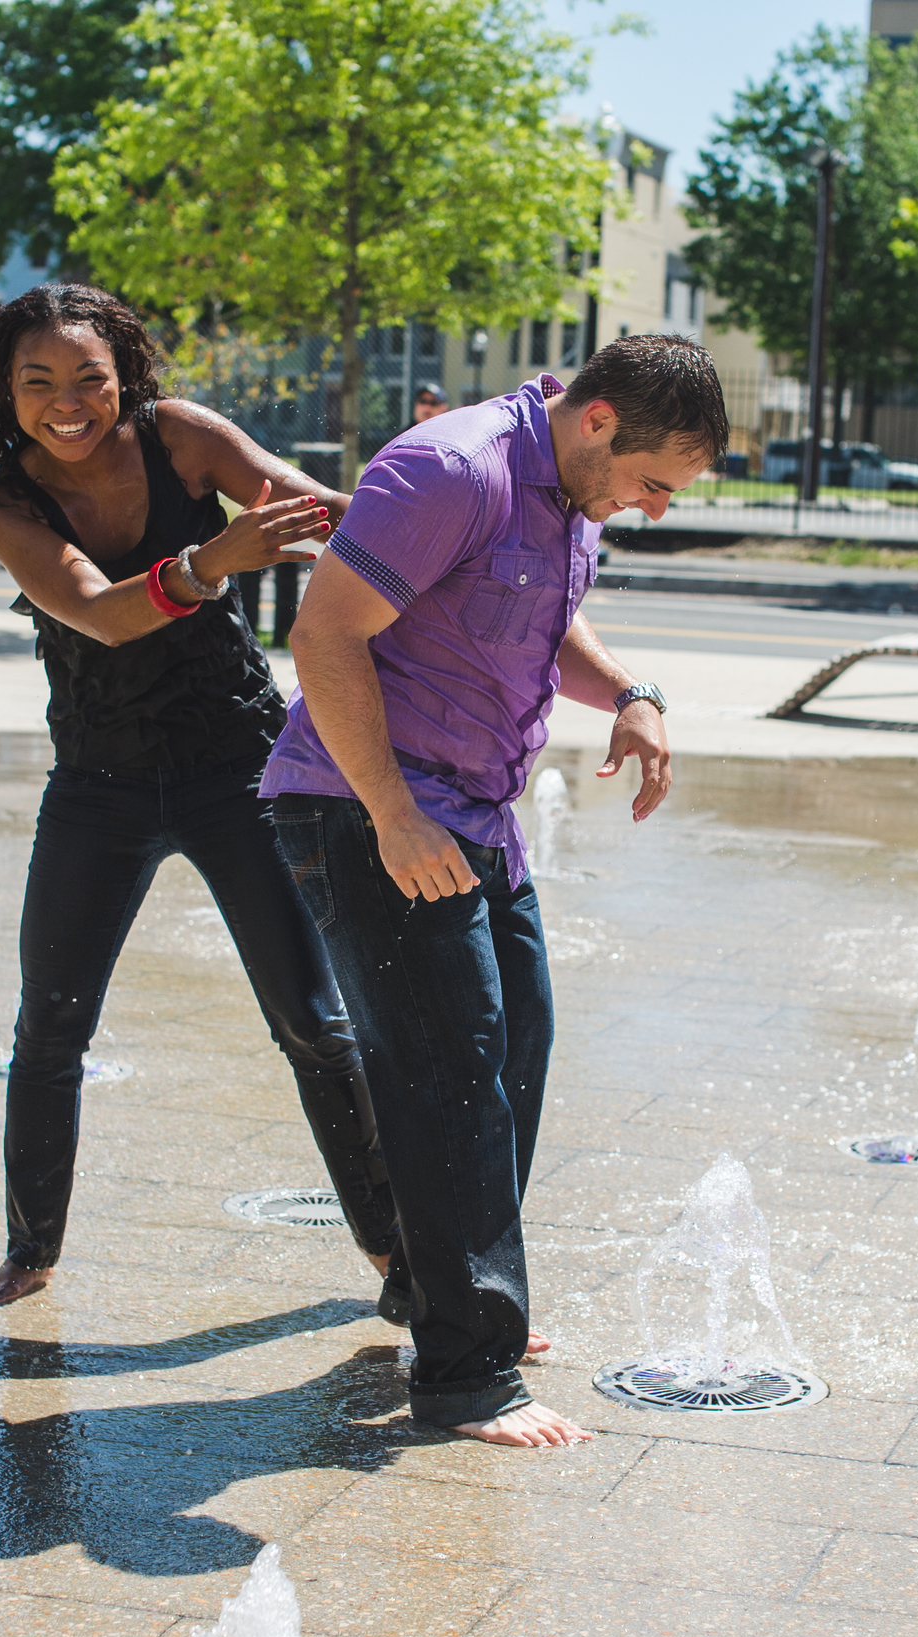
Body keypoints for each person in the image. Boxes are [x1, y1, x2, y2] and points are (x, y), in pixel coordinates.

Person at [265, 335, 729, 1447]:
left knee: (514, 1044)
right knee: (449, 1071)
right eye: (655, 482)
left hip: (470, 814)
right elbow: (322, 632)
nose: (657, 507)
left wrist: (630, 691)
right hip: (366, 802)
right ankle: (469, 1373)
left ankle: (443, 1297)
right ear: (600, 418)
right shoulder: (453, 469)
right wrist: (390, 811)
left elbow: (538, 619)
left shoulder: (567, 491)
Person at [0, 283, 399, 1308]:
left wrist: (392, 516)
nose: (68, 400)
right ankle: (30, 1251)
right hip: (97, 785)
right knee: (51, 1024)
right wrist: (210, 560)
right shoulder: (5, 502)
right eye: (40, 381)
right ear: (6, 391)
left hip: (234, 766)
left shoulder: (180, 438)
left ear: (124, 377)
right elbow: (100, 613)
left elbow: (311, 508)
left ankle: (396, 1255)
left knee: (311, 1020)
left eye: (88, 378)